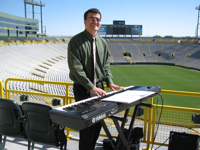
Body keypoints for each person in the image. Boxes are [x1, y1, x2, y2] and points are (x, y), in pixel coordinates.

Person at [67, 8, 124, 150]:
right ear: (85, 21)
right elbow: (76, 68)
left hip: (99, 87)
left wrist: (109, 82)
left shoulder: (102, 43)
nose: (95, 22)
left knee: (99, 123)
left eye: (98, 19)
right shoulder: (75, 41)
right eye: (92, 18)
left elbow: (105, 65)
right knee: (87, 127)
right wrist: (90, 87)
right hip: (83, 88)